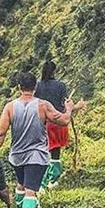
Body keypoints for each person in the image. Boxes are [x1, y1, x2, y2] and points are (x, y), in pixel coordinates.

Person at [0, 70, 84, 208]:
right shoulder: (43, 105)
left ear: (19, 87)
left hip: (17, 156)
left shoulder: (9, 107)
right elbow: (64, 120)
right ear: (35, 87)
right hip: (36, 156)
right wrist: (69, 108)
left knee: (21, 184)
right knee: (31, 190)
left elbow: (0, 134)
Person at [35, 59, 70, 188]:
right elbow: (64, 104)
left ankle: (41, 182)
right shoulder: (60, 86)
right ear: (54, 71)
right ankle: (53, 180)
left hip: (42, 123)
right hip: (57, 122)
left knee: (42, 151)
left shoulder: (38, 86)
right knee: (56, 152)